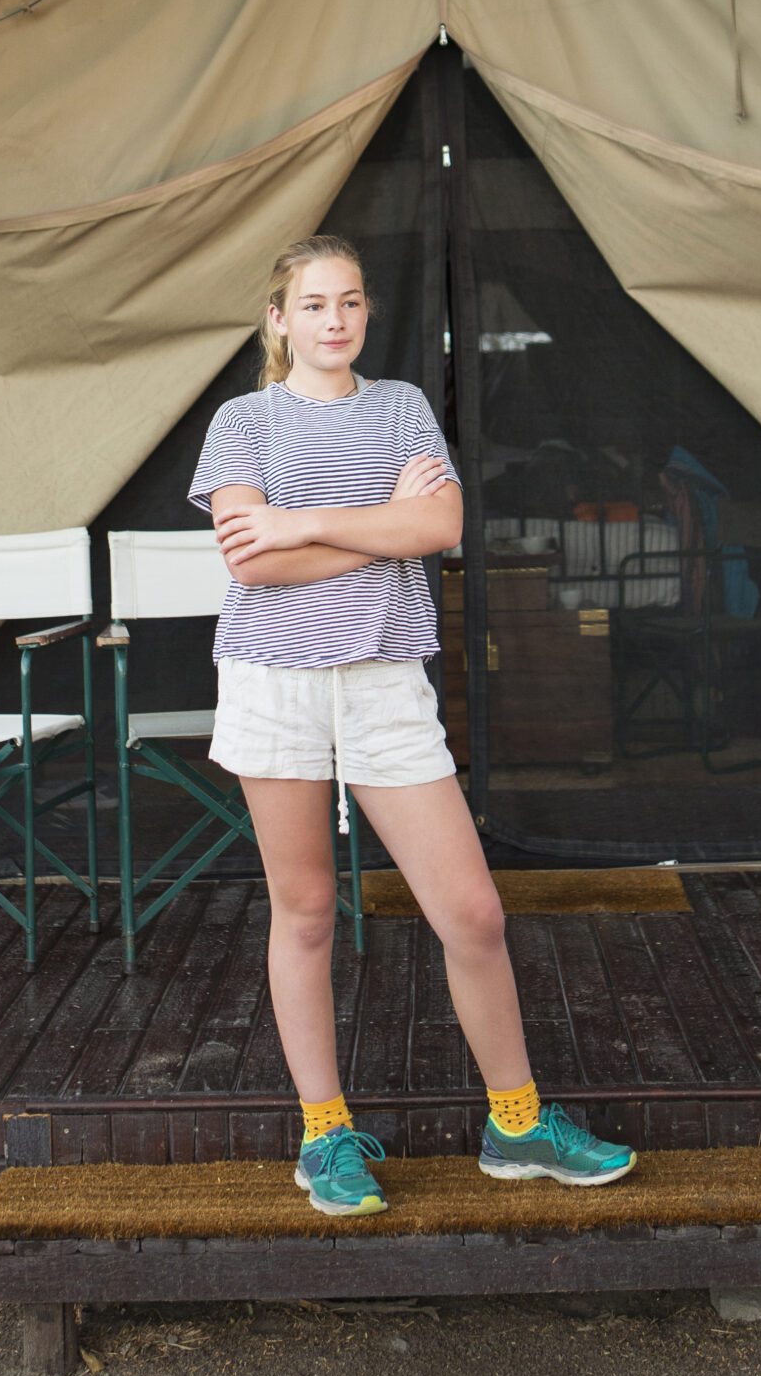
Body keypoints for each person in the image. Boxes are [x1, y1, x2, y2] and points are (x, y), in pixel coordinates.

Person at [189, 232, 637, 1218]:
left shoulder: (399, 407)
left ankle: (515, 1126)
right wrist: (374, 527)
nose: (335, 320)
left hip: (386, 684)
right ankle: (324, 1136)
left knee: (472, 912)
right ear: (279, 319)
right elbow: (251, 562)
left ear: (366, 311)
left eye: (349, 301)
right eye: (314, 305)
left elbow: (439, 527)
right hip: (274, 681)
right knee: (307, 912)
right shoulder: (243, 420)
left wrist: (305, 521)